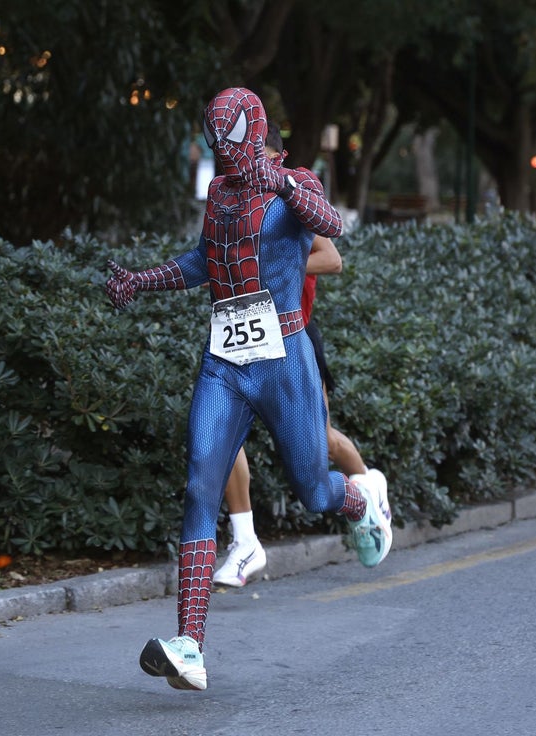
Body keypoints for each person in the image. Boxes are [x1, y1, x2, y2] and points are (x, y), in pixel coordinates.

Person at [103, 87, 391, 691]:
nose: (223, 147)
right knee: (198, 484)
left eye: (229, 135)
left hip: (285, 358)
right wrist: (141, 280)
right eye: (215, 136)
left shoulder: (297, 180)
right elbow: (204, 263)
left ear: (253, 130)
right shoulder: (218, 195)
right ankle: (189, 646)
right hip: (225, 360)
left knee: (315, 490)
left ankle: (364, 501)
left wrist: (282, 183)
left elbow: (332, 228)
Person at [214, 126, 375, 589]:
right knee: (222, 436)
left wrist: (272, 261)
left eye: (257, 156)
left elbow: (333, 259)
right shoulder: (229, 204)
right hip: (244, 335)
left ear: (275, 156)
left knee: (322, 442)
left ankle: (368, 504)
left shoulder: (293, 194)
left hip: (295, 337)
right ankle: (244, 540)